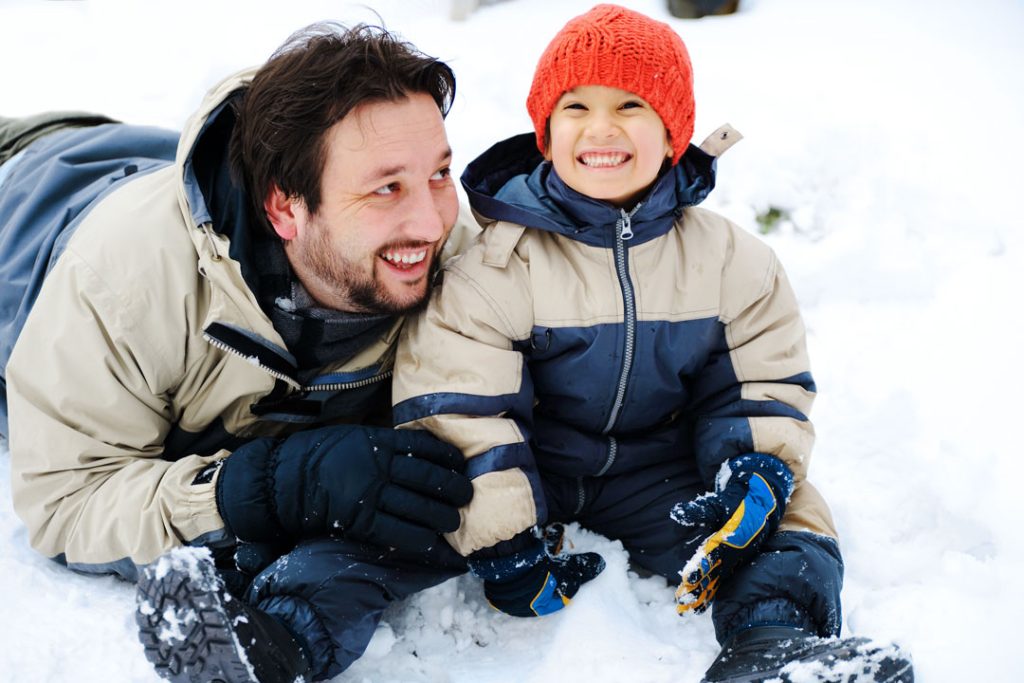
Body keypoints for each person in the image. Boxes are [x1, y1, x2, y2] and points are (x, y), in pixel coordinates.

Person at [393, 5, 914, 682]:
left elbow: (760, 382)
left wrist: (752, 469)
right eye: (576, 106)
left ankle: (770, 646)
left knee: (792, 512)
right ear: (546, 134)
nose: (601, 128)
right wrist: (503, 539)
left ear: (673, 131)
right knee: (408, 505)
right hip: (535, 472)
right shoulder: (496, 264)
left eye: (630, 105)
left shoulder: (731, 262)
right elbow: (463, 407)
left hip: (656, 476)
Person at [0, 23, 481, 683]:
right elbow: (67, 502)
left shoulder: (458, 266)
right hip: (22, 195)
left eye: (439, 174)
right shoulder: (121, 283)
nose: (431, 220)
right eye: (386, 188)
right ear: (285, 207)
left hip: (139, 156)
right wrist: (254, 488)